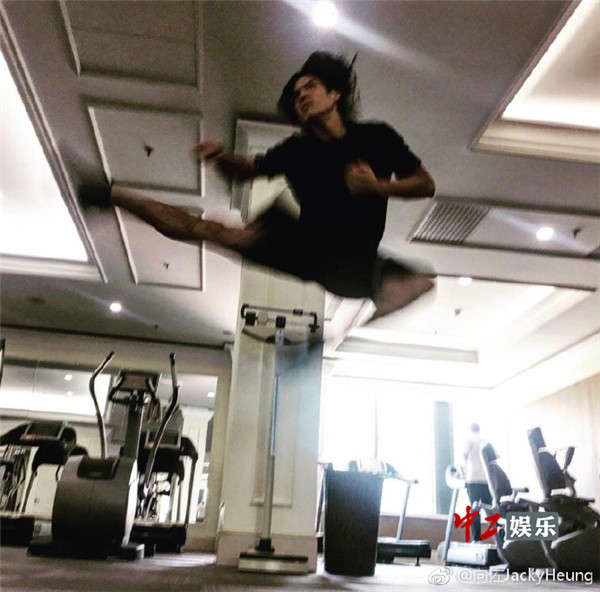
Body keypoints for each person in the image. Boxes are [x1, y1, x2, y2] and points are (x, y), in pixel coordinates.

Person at [80, 52, 436, 320]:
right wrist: (222, 158)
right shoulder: (297, 150)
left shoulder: (376, 138)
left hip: (355, 257)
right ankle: (112, 195)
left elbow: (425, 184)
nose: (301, 96)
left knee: (415, 279)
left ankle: (392, 285)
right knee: (208, 230)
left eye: (310, 87)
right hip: (306, 245)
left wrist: (378, 188)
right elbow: (245, 171)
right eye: (296, 94)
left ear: (335, 93)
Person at [462, 423, 492, 542]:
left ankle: (477, 539)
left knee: (474, 509)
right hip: (486, 479)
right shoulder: (485, 441)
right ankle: (499, 538)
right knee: (490, 509)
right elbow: (494, 457)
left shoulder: (469, 439)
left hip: (473, 478)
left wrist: (461, 471)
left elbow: (464, 456)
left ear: (470, 429)